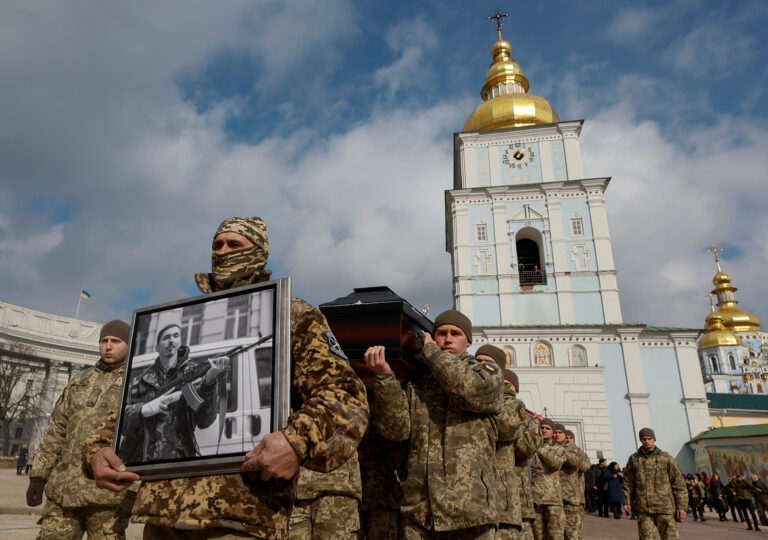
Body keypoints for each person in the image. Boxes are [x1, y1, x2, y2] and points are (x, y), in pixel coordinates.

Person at [84, 217, 369, 539]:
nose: (223, 252)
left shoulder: (292, 314)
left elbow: (345, 396)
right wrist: (97, 449)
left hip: (242, 517)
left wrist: (296, 441)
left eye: (235, 244)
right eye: (217, 245)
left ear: (259, 253)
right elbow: (129, 409)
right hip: (162, 518)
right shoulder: (176, 333)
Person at [364, 310, 504, 539]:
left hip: (470, 512)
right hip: (421, 513)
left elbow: (465, 388)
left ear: (468, 341)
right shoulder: (417, 384)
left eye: (455, 333)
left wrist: (429, 349)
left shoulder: (486, 373)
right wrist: (385, 378)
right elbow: (395, 431)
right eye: (441, 333)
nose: (447, 339)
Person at [28, 320, 134, 540]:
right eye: (104, 340)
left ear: (128, 344)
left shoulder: (135, 383)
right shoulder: (78, 382)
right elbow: (56, 431)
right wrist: (38, 476)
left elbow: (142, 439)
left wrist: (133, 492)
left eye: (116, 341)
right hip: (63, 494)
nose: (108, 346)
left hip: (108, 497)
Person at [119, 321, 228, 462]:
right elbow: (122, 427)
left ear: (180, 341)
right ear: (157, 347)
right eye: (166, 337)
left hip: (179, 459)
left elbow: (205, 422)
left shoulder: (195, 374)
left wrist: (209, 383)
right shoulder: (139, 381)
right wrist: (143, 410)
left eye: (176, 336)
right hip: (140, 460)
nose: (171, 340)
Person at [476, 344, 525, 540]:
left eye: (487, 364)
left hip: (501, 494)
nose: (480, 367)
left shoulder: (511, 404)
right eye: (477, 362)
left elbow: (505, 429)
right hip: (472, 494)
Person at [622, 427, 687, 540]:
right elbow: (628, 482)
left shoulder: (665, 458)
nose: (646, 441)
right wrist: (626, 501)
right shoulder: (634, 459)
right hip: (644, 509)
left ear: (654, 439)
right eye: (643, 439)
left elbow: (679, 484)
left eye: (649, 438)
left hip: (665, 508)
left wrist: (682, 507)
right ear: (640, 440)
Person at [506, 369, 543, 540]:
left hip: (517, 497)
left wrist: (511, 416)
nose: (503, 388)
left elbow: (526, 449)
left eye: (508, 385)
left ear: (516, 390)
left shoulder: (527, 419)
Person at [530, 418, 566, 540]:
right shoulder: (531, 446)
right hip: (535, 499)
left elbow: (555, 463)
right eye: (542, 427)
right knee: (537, 536)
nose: (544, 430)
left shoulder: (558, 448)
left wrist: (539, 448)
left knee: (555, 536)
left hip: (553, 500)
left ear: (552, 432)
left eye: (548, 428)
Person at [557, 428, 590, 539]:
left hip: (577, 497)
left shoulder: (579, 452)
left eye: (571, 438)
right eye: (566, 437)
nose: (568, 440)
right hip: (562, 495)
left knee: (576, 530)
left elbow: (584, 466)